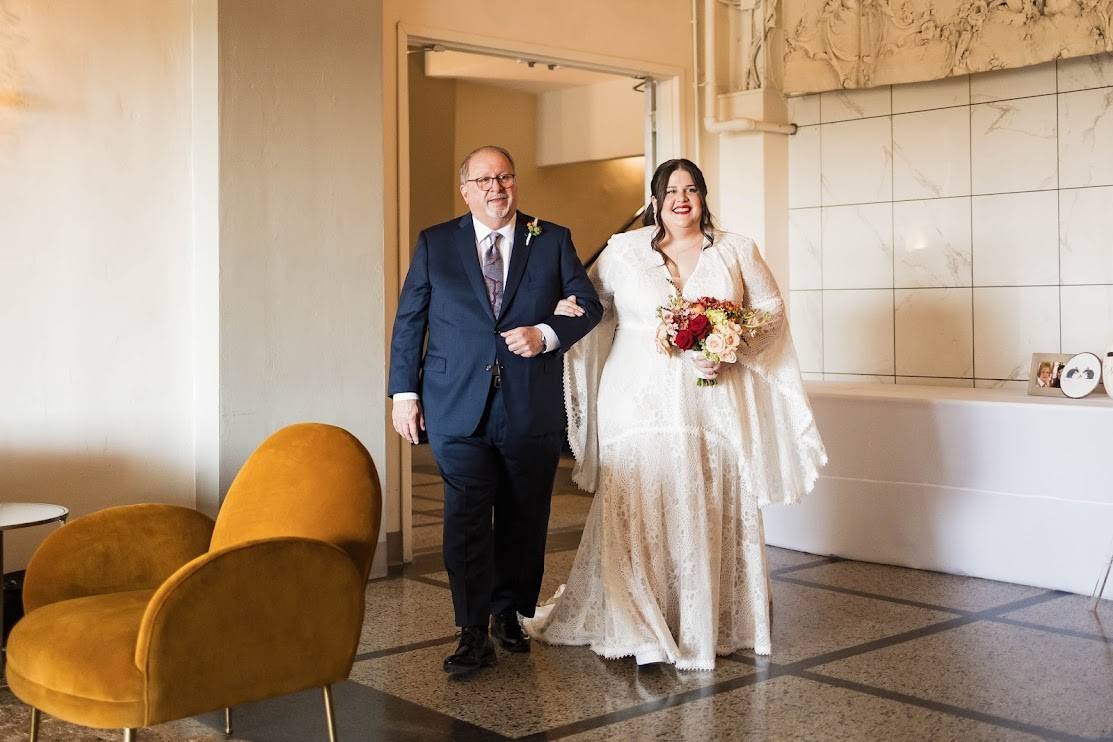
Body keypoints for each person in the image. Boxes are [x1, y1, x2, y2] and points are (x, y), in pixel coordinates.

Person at [522, 159, 826, 669]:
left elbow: (770, 312)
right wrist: (556, 316)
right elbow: (590, 304)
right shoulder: (623, 251)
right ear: (655, 199)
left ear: (704, 197)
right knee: (639, 494)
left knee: (707, 492)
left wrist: (735, 342)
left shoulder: (736, 249)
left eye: (691, 190)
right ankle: (635, 618)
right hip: (634, 394)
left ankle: (705, 619)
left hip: (712, 397)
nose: (681, 199)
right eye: (670, 190)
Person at [388, 145, 603, 675]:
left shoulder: (550, 239)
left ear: (515, 183)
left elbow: (589, 304)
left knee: (524, 516)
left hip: (529, 404)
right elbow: (410, 319)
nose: (495, 188)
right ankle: (470, 630)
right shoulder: (437, 243)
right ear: (466, 190)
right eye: (483, 180)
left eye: (504, 177)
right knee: (464, 518)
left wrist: (547, 332)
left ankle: (510, 614)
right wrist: (403, 393)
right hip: (454, 403)